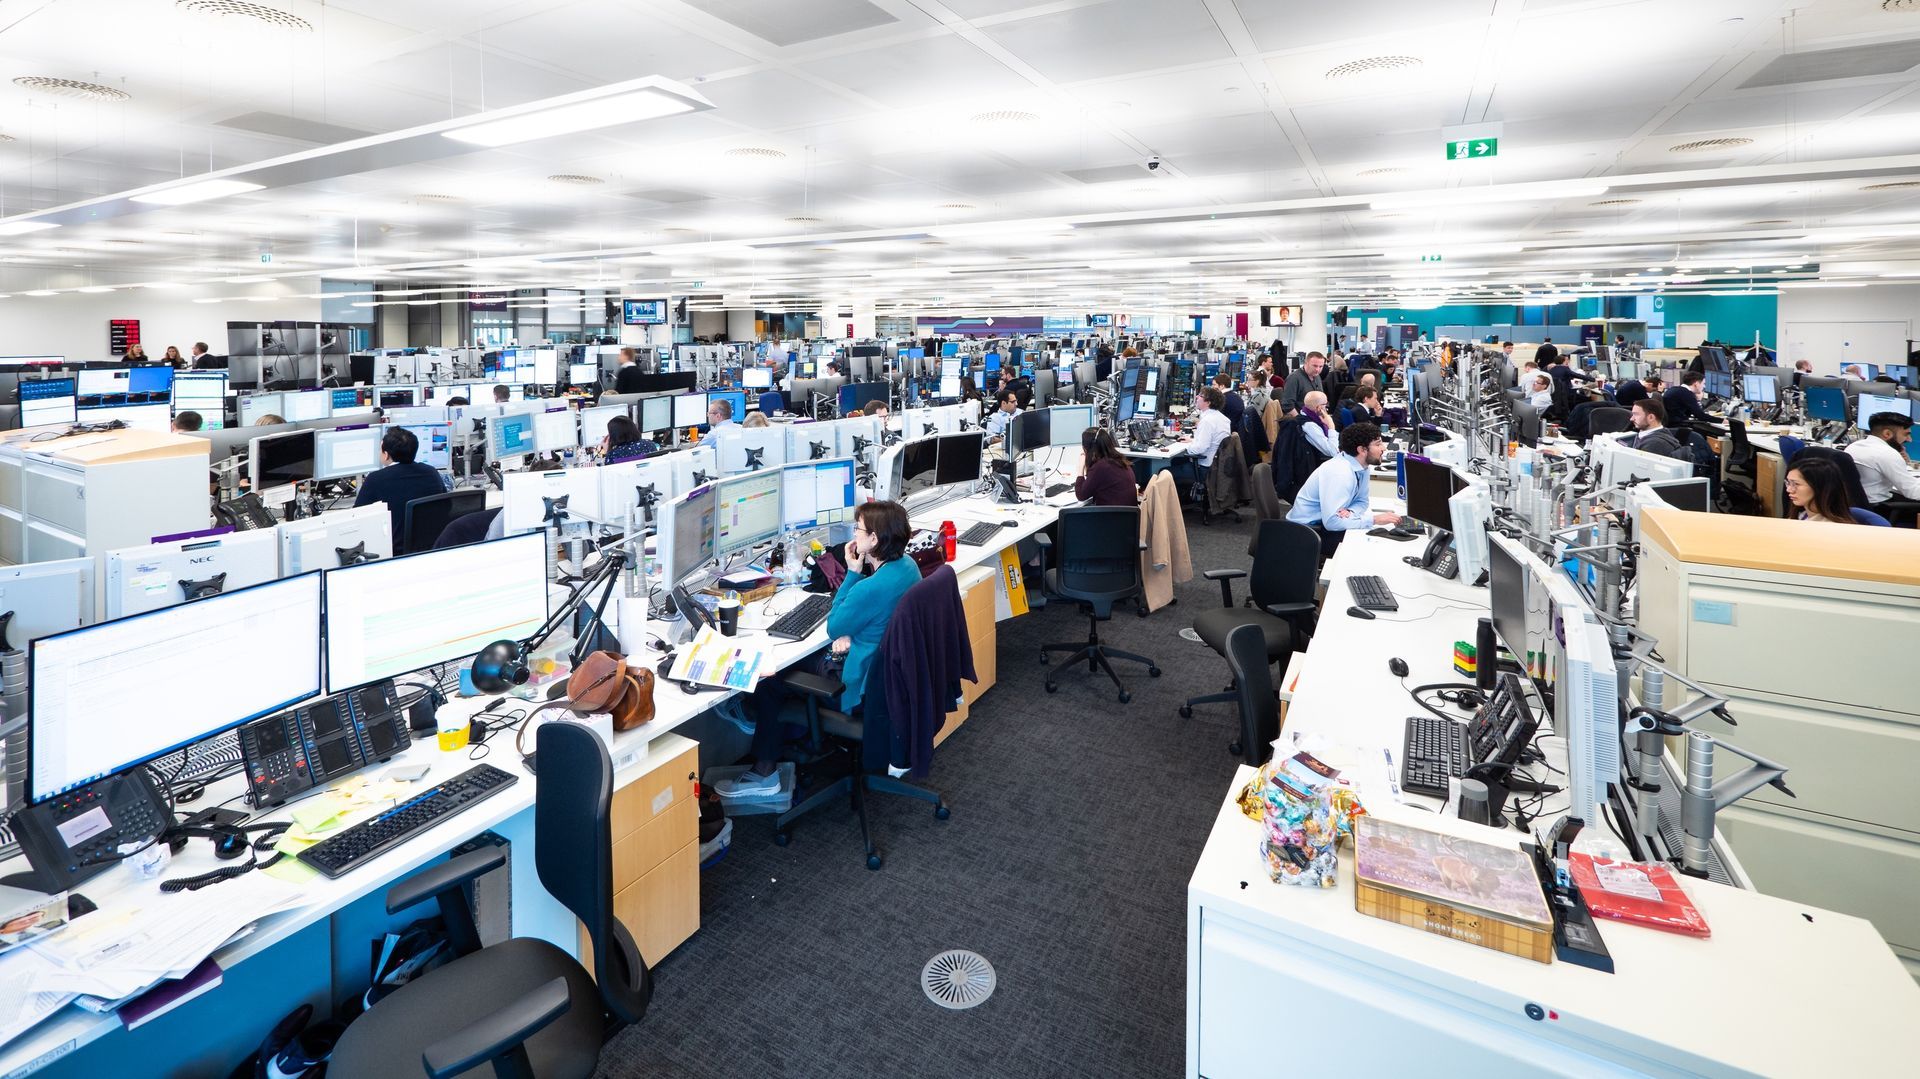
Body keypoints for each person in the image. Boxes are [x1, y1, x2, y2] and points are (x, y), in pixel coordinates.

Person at [719, 500, 921, 793]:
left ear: (874, 539)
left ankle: (764, 770)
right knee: (803, 658)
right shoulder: (907, 567)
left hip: (858, 687)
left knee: (772, 677)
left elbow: (834, 626)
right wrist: (858, 633)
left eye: (858, 528)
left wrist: (852, 572)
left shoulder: (869, 587)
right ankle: (786, 737)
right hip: (887, 678)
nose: (854, 532)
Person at [1286, 422, 1401, 559]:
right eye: (1378, 444)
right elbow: (1332, 522)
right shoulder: (1339, 473)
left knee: (1374, 541)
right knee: (1370, 551)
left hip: (1323, 525)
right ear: (1362, 450)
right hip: (1306, 533)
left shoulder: (1361, 467)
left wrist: (1350, 512)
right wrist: (1374, 519)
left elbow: (1362, 502)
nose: (1383, 448)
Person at [354, 426, 451, 550]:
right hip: (432, 547)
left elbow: (357, 518)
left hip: (396, 551)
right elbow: (446, 507)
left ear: (386, 455)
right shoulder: (431, 472)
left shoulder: (376, 479)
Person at [1846, 411, 1920, 509]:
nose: (1909, 439)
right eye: (1906, 434)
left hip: (1856, 506)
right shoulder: (1887, 454)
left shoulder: (1854, 446)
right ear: (1887, 433)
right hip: (1879, 509)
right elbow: (1913, 492)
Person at [1786, 457, 1863, 525]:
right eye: (1788, 483)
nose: (1788, 489)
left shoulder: (1830, 528)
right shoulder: (1802, 515)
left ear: (1819, 487)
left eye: (1796, 484)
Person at [1075, 427, 1137, 506]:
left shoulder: (1101, 467)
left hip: (1111, 517)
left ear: (1087, 449)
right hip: (1126, 516)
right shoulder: (1119, 460)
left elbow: (1081, 495)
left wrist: (1080, 469)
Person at [1187, 385, 1232, 479]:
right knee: (1176, 461)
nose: (1196, 397)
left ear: (1208, 402)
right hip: (1216, 466)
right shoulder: (1223, 419)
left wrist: (1187, 447)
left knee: (1163, 471)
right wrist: (1191, 441)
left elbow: (1200, 449)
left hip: (1204, 468)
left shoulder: (1207, 421)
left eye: (1200, 395)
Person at [1299, 390, 1336, 459]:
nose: (1327, 408)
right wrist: (1331, 426)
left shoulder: (1309, 415)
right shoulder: (1310, 425)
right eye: (1326, 404)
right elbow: (1333, 451)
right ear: (1319, 408)